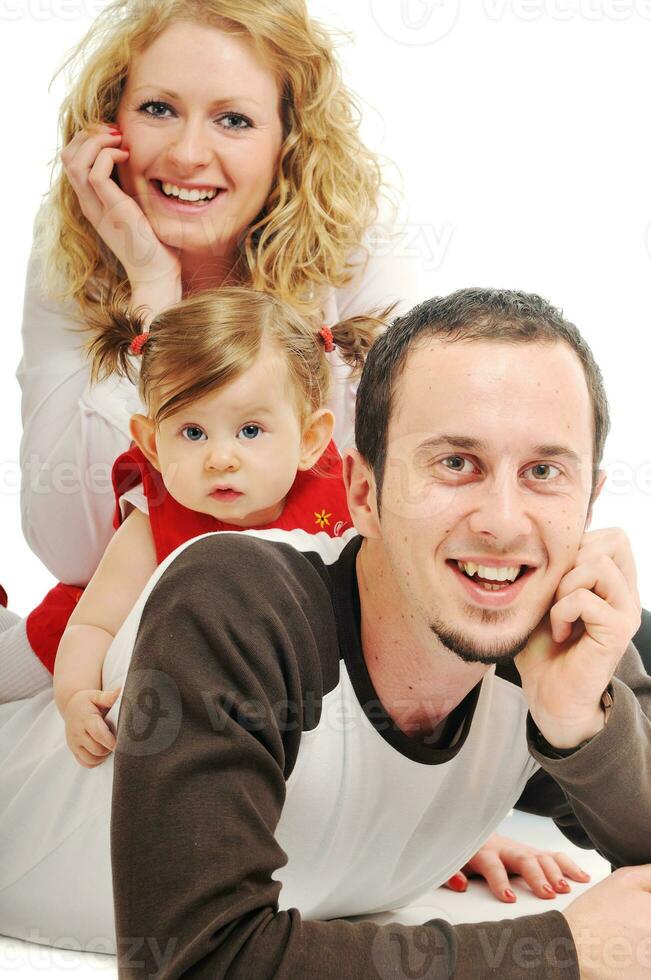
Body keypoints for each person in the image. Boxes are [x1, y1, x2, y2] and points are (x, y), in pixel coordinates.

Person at [109, 288, 651, 978]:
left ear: (589, 501)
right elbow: (194, 961)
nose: (504, 522)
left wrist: (580, 725)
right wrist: (559, 951)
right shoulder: (235, 598)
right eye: (455, 463)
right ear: (362, 494)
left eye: (544, 472)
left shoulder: (547, 630)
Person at [6, 0, 421, 700]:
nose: (187, 153)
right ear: (110, 125)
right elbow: (76, 550)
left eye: (234, 119)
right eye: (159, 109)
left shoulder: (351, 246)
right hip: (143, 604)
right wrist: (151, 292)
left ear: (288, 141)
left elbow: (377, 503)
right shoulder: (77, 251)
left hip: (328, 614)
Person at [45, 287, 378, 767]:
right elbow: (93, 625)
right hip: (194, 714)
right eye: (193, 433)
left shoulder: (347, 507)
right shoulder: (155, 522)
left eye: (249, 431)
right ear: (153, 445)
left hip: (320, 712)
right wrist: (76, 696)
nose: (220, 459)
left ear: (309, 440)